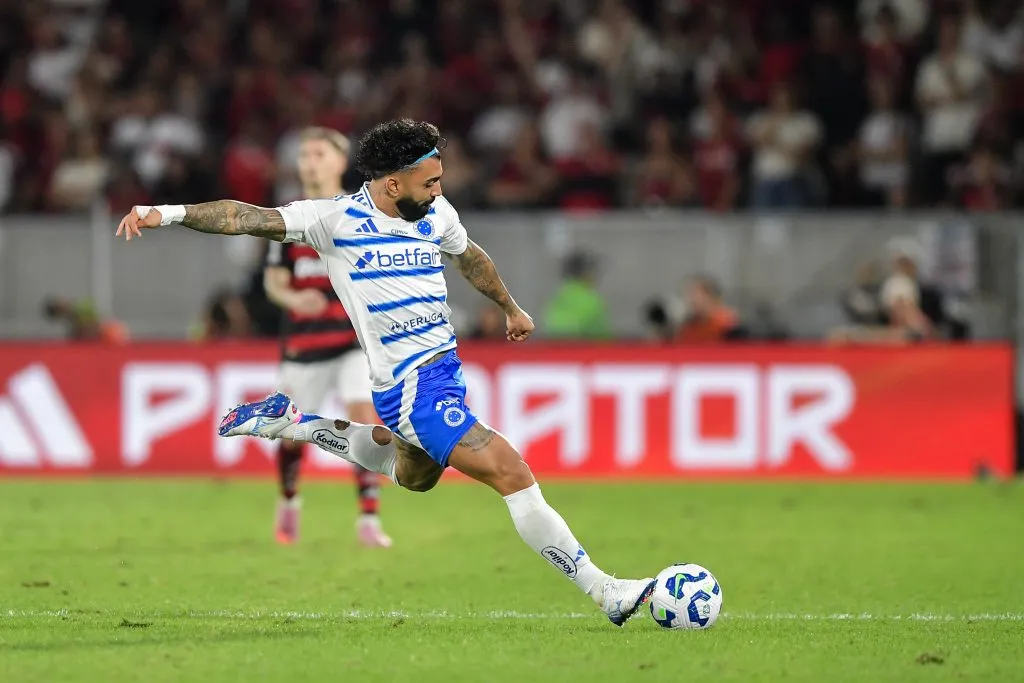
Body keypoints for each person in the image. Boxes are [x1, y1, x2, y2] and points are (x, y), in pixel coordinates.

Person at [116, 119, 655, 627]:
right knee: (512, 473)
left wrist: (510, 307)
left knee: (414, 478)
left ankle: (292, 423)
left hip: (444, 374)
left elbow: (470, 257)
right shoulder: (333, 221)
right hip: (412, 389)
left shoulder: (435, 215)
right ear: (394, 184)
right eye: (432, 182)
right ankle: (605, 591)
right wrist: (165, 211)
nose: (441, 191)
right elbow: (242, 216)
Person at [262, 127, 391, 547]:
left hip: (353, 342)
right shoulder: (287, 216)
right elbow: (274, 281)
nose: (310, 162)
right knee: (287, 430)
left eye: (319, 153)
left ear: (339, 162)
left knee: (362, 417)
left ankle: (369, 520)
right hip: (304, 346)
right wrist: (293, 299)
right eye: (304, 155)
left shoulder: (359, 213)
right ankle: (289, 501)